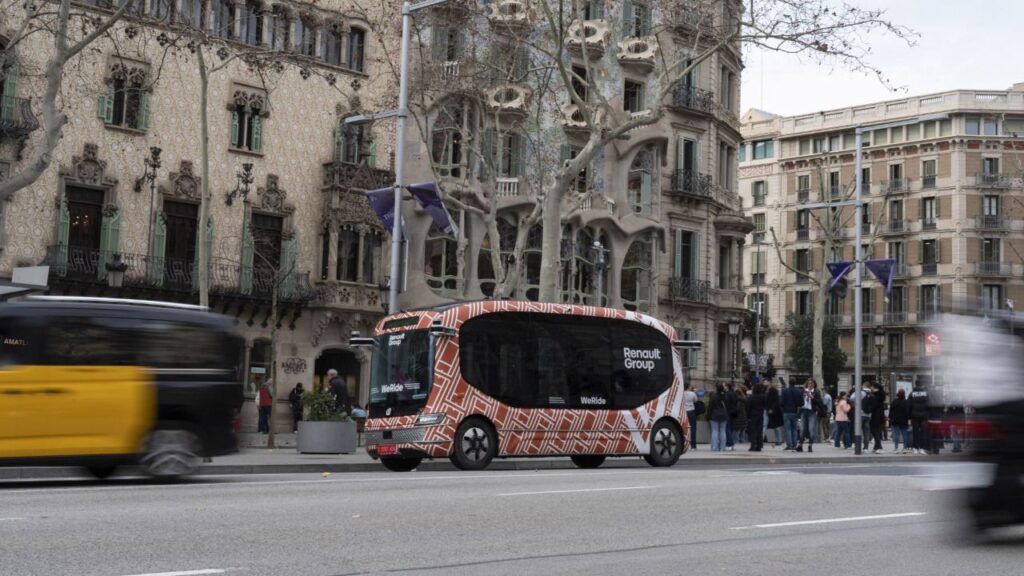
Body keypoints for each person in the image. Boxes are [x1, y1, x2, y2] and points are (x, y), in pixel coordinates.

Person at [796, 378, 822, 453]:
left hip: (812, 412)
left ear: (814, 384)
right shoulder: (803, 391)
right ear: (806, 384)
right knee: (802, 429)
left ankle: (810, 445)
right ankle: (800, 445)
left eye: (811, 383)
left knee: (811, 429)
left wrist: (812, 398)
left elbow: (819, 402)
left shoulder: (816, 392)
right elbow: (799, 401)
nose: (810, 385)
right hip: (804, 411)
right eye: (808, 383)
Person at [780, 379, 803, 450]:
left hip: (786, 412)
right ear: (795, 383)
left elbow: (781, 402)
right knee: (794, 429)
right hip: (795, 412)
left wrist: (783, 407)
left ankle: (789, 445)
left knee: (788, 429)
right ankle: (794, 444)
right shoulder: (799, 391)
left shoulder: (784, 391)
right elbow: (802, 403)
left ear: (789, 383)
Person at [909, 380, 930, 455]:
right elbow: (929, 404)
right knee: (923, 432)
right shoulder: (926, 394)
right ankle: (922, 448)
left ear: (915, 384)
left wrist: (909, 416)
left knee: (915, 432)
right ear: (922, 385)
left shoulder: (912, 394)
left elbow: (909, 405)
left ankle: (915, 448)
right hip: (924, 416)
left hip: (914, 416)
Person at [708, 384, 730, 451]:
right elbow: (728, 405)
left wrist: (708, 415)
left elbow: (710, 407)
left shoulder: (713, 396)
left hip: (714, 415)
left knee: (715, 431)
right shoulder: (725, 396)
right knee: (723, 431)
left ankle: (714, 447)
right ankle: (722, 447)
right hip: (723, 415)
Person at [889, 389, 911, 453]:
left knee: (896, 435)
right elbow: (908, 412)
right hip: (904, 421)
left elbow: (891, 412)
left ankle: (896, 448)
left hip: (895, 421)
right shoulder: (906, 402)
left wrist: (891, 419)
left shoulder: (894, 402)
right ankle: (905, 448)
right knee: (905, 435)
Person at [746, 384, 766, 451]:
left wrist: (748, 416)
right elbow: (765, 405)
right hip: (760, 415)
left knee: (753, 431)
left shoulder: (751, 397)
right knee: (759, 431)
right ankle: (759, 446)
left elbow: (748, 407)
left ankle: (753, 445)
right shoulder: (763, 397)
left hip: (753, 416)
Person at [869, 382, 887, 454]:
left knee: (874, 431)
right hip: (880, 415)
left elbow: (874, 405)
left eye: (872, 386)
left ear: (875, 387)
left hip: (876, 415)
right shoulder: (880, 394)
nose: (871, 388)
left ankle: (879, 447)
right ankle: (876, 447)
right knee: (877, 431)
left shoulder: (876, 396)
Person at [765, 379, 783, 447]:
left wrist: (771, 409)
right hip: (770, 410)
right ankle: (775, 440)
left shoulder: (773, 391)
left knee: (774, 426)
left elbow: (775, 401)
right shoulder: (768, 390)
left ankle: (777, 440)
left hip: (774, 411)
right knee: (772, 426)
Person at [724, 383, 738, 451]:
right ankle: (732, 444)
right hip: (734, 412)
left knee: (727, 428)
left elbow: (726, 403)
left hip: (727, 412)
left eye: (725, 386)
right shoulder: (734, 393)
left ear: (727, 387)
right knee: (731, 428)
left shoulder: (727, 394)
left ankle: (729, 443)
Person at [684, 384, 698, 450]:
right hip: (691, 411)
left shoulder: (681, 394)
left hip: (684, 411)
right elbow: (696, 400)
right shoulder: (692, 393)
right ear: (688, 387)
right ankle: (693, 446)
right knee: (693, 429)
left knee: (683, 428)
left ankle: (684, 444)